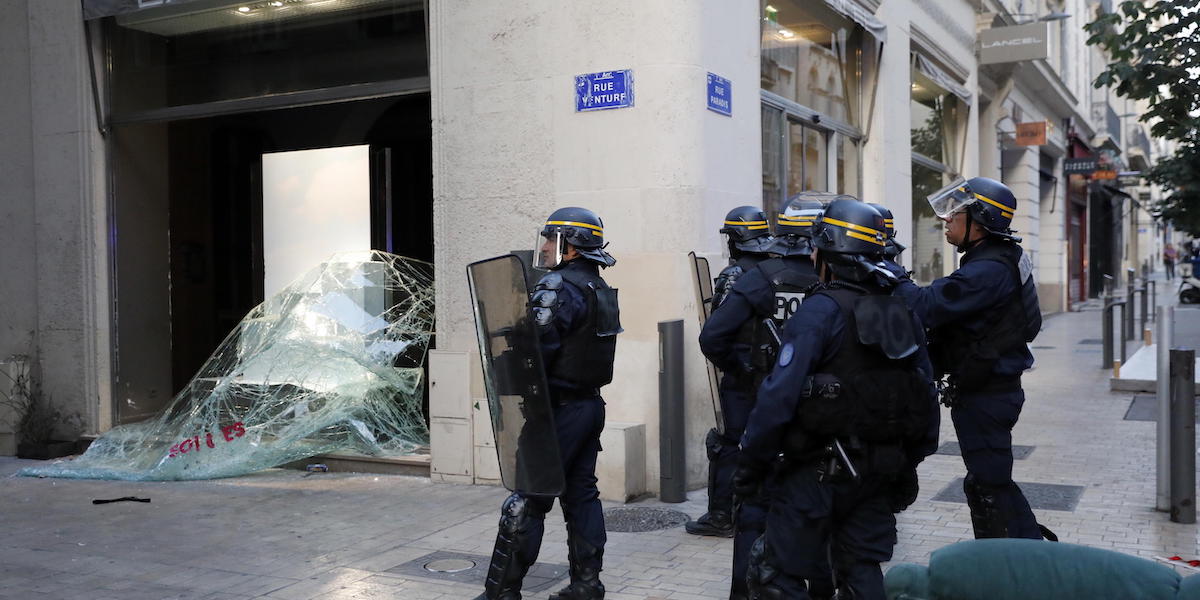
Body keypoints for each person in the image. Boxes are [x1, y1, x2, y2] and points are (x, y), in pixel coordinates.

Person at [737, 199, 939, 599]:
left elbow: (778, 398)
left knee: (776, 578)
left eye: (816, 247)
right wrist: (905, 461)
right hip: (880, 471)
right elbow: (925, 392)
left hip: (817, 472)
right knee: (861, 572)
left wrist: (752, 463)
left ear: (829, 251)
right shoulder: (902, 310)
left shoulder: (821, 311)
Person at [882, 177, 1053, 541]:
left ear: (980, 220)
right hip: (990, 389)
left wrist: (888, 269)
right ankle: (1022, 553)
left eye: (954, 213)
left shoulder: (986, 270)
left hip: (987, 395)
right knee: (987, 481)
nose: (946, 220)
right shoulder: (998, 257)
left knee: (989, 486)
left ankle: (1018, 559)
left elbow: (924, 307)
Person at [478, 207, 620, 600]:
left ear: (570, 247)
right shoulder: (598, 287)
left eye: (550, 239)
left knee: (527, 499)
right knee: (581, 496)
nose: (543, 246)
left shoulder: (558, 286)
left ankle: (502, 593)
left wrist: (505, 357)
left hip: (556, 410)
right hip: (589, 407)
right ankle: (587, 586)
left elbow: (537, 352)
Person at [698, 194, 826, 599]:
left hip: (760, 409)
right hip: (818, 415)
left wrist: (745, 372)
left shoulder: (759, 277)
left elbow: (712, 336)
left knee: (753, 505)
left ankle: (744, 590)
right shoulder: (833, 280)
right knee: (816, 507)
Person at [687, 206, 775, 539]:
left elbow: (714, 333)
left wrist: (734, 367)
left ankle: (722, 514)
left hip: (742, 379)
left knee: (727, 444)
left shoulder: (736, 275)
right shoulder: (777, 270)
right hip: (775, 377)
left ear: (737, 240)